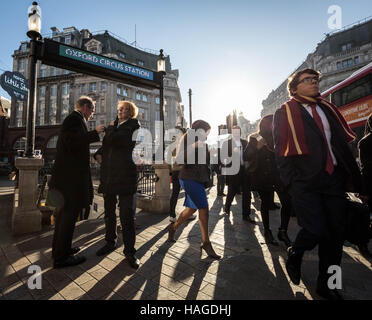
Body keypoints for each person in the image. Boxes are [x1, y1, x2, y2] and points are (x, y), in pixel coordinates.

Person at [273, 68, 366, 300]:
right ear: (294, 88)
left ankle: (329, 285)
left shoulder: (328, 108)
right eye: (308, 80)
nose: (314, 83)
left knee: (336, 236)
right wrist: (291, 184)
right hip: (305, 183)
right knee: (315, 229)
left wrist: (358, 182)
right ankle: (295, 252)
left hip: (333, 179)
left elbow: (342, 146)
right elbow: (281, 152)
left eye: (316, 80)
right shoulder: (284, 112)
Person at [50, 96, 105, 268]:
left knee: (63, 217)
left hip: (67, 179)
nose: (93, 113)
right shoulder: (74, 119)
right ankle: (61, 258)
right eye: (92, 109)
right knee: (68, 216)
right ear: (85, 107)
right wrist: (95, 132)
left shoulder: (75, 120)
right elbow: (72, 142)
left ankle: (60, 249)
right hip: (69, 180)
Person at [94, 101, 141, 269]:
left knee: (126, 216)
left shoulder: (133, 126)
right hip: (109, 176)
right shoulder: (114, 125)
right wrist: (99, 155)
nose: (120, 111)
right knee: (109, 213)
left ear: (130, 112)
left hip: (125, 176)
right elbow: (106, 145)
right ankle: (110, 242)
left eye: (123, 109)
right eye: (119, 109)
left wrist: (111, 128)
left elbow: (118, 140)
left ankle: (130, 252)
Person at [168, 120, 221, 259]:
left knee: (191, 209)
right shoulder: (188, 138)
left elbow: (204, 161)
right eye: (207, 131)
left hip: (199, 179)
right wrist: (194, 146)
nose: (208, 134)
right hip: (188, 178)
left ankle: (173, 228)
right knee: (204, 207)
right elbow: (179, 158)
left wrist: (212, 154)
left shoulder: (204, 142)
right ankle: (206, 242)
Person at [247, 115, 293, 247]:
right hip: (263, 175)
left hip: (279, 176)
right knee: (265, 205)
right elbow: (246, 155)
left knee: (287, 202)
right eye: (272, 122)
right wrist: (257, 148)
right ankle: (267, 232)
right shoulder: (255, 137)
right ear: (265, 124)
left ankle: (283, 231)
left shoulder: (280, 135)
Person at [221, 125, 256, 223]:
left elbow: (251, 155)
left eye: (238, 132)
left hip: (245, 171)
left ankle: (246, 215)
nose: (236, 133)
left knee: (247, 194)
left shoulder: (245, 142)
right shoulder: (227, 144)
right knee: (231, 192)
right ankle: (227, 207)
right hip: (233, 171)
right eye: (234, 132)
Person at [169, 127, 196, 223]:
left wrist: (170, 171)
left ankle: (172, 215)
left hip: (175, 170)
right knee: (188, 193)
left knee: (175, 193)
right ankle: (188, 214)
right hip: (184, 170)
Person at [357, 113, 372, 258]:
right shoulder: (366, 142)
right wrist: (365, 191)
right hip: (370, 185)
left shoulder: (364, 141)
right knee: (367, 218)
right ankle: (362, 243)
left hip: (368, 185)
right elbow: (366, 168)